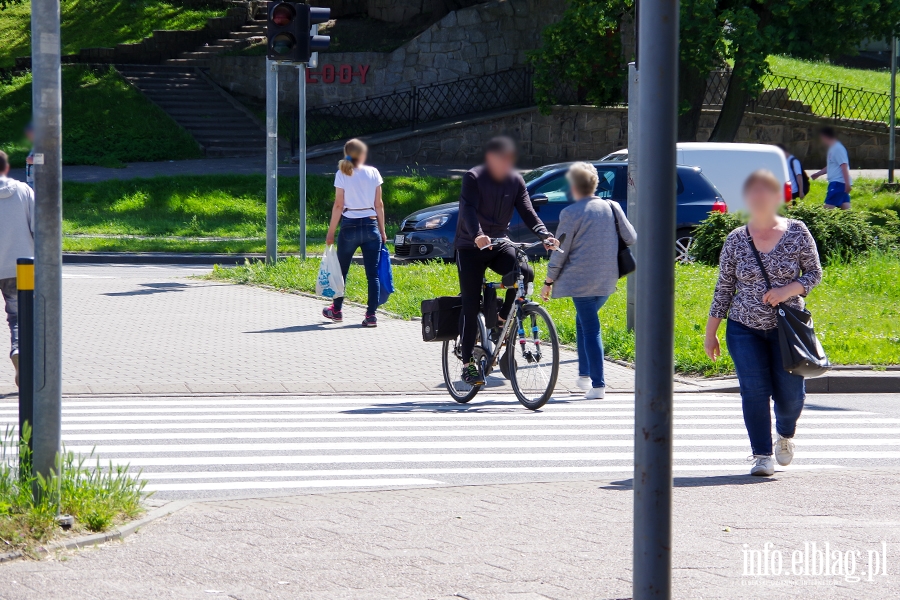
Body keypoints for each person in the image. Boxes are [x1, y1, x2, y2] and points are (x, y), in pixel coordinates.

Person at [704, 170, 822, 477]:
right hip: (744, 328)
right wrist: (711, 333)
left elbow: (814, 274)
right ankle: (761, 455)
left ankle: (784, 434)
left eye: (764, 192)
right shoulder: (736, 240)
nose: (758, 198)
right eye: (753, 193)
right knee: (754, 391)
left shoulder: (797, 232)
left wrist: (787, 290)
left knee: (790, 395)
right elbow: (724, 289)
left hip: (788, 330)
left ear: (777, 197)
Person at [455, 136, 558, 385]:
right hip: (470, 246)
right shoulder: (474, 177)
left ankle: (501, 318)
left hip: (499, 243)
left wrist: (544, 234)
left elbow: (527, 210)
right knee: (471, 303)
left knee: (524, 271)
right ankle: (467, 362)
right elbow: (467, 209)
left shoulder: (515, 181)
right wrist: (478, 235)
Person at [540, 163, 635, 399]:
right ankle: (583, 376)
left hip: (580, 279)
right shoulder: (612, 207)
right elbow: (631, 237)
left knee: (591, 328)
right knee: (583, 322)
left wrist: (548, 281)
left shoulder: (570, 213)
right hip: (607, 277)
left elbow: (560, 250)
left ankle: (598, 384)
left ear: (573, 187)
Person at [322, 139, 387, 327]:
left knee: (341, 271)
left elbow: (338, 205)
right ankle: (371, 315)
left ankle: (336, 310)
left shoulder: (341, 173)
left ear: (347, 153)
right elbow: (379, 204)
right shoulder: (373, 172)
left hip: (349, 225)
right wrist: (382, 231)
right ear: (363, 154)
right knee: (372, 274)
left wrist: (331, 232)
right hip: (371, 225)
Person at [0, 151, 36, 386]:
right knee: (19, 316)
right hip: (20, 266)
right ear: (6, 167)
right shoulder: (23, 191)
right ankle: (19, 350)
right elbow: (39, 226)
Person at [810, 126, 851, 210]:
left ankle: (820, 223)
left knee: (826, 211)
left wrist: (847, 183)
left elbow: (844, 166)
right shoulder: (832, 149)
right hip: (839, 183)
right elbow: (832, 166)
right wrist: (818, 174)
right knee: (846, 211)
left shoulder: (837, 149)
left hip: (838, 184)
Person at [24, 123, 35, 189]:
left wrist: (33, 160)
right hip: (31, 180)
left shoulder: (42, 146)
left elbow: (48, 159)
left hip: (40, 181)